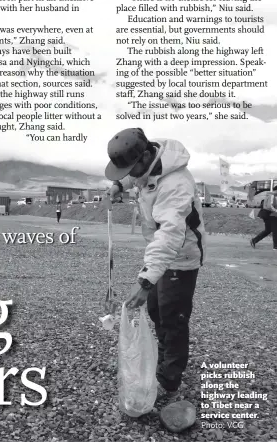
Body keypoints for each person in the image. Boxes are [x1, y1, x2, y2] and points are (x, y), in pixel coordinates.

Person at [105, 128, 206, 400]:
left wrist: (145, 281)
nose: (130, 174)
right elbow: (136, 175)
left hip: (181, 255)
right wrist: (119, 185)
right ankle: (162, 360)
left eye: (130, 169)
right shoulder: (150, 162)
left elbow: (169, 235)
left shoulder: (175, 184)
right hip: (162, 256)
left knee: (173, 317)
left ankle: (169, 381)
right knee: (155, 310)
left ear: (146, 156)